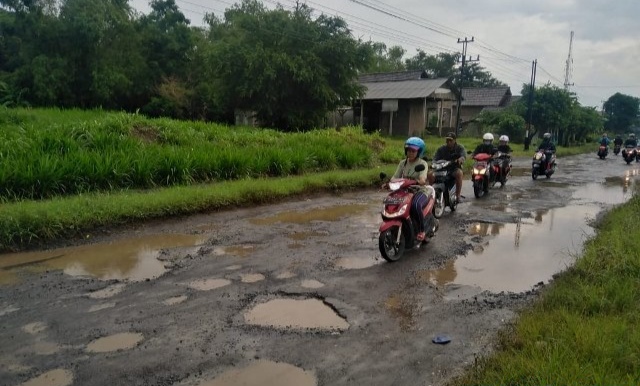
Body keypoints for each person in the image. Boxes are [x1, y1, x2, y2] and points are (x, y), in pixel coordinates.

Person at [389, 137, 430, 241]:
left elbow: (422, 178)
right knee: (392, 202)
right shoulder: (402, 163)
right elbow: (395, 176)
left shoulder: (422, 164)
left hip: (419, 190)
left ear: (419, 151)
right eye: (408, 150)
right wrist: (389, 183)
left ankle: (422, 230)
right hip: (405, 190)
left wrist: (419, 181)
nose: (410, 152)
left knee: (416, 205)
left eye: (413, 151)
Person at [428, 132, 466, 203]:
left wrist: (460, 160)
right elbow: (435, 158)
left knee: (459, 173)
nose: (448, 142)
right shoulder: (441, 149)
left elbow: (463, 156)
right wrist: (432, 163)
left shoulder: (460, 148)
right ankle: (430, 194)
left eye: (450, 140)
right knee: (430, 174)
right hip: (441, 168)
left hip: (453, 169)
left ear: (454, 140)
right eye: (447, 140)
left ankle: (458, 196)